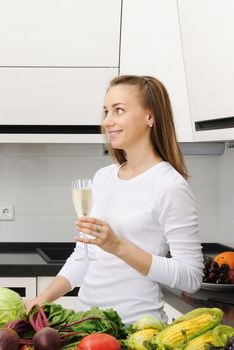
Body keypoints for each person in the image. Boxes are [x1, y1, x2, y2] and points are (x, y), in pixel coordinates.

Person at [26, 75, 204, 324]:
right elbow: (82, 256)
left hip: (136, 330)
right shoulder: (103, 177)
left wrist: (118, 247)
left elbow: (192, 277)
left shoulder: (169, 185)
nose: (108, 121)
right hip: (85, 325)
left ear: (149, 117)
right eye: (106, 111)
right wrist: (42, 299)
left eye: (119, 110)